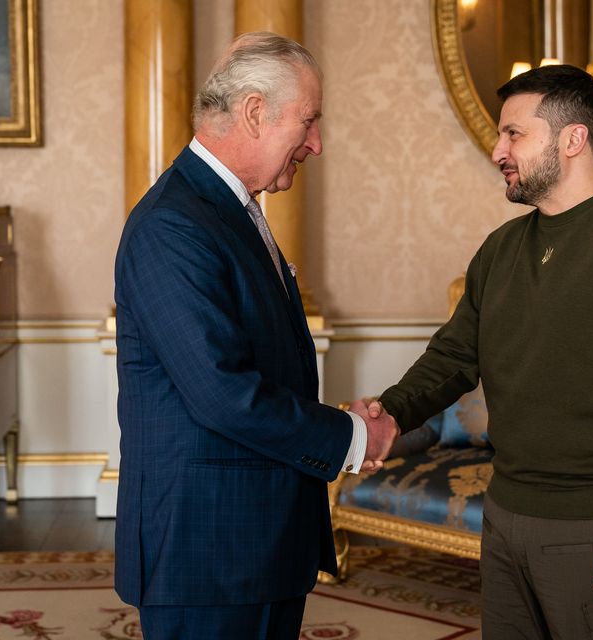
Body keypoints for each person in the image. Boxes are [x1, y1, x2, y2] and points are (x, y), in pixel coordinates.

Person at [359, 64, 593, 639]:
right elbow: (453, 357)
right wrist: (390, 414)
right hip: (503, 515)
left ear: (573, 139)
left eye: (514, 134)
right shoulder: (501, 248)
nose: (497, 150)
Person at [113, 32, 398, 639]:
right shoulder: (173, 224)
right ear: (254, 111)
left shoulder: (229, 209)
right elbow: (222, 393)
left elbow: (266, 367)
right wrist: (349, 435)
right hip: (206, 555)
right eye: (310, 120)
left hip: (255, 545)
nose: (317, 143)